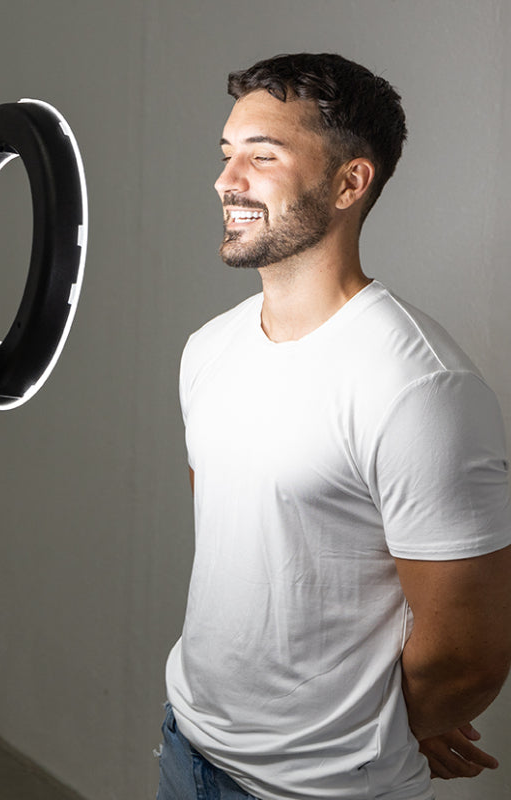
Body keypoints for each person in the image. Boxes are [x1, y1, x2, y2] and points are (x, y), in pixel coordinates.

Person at [158, 53, 511, 799]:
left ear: (351, 182)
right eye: (227, 155)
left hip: (322, 791)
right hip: (187, 746)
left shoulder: (418, 387)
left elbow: (469, 657)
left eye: (264, 156)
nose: (227, 181)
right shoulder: (208, 350)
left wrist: (375, 728)